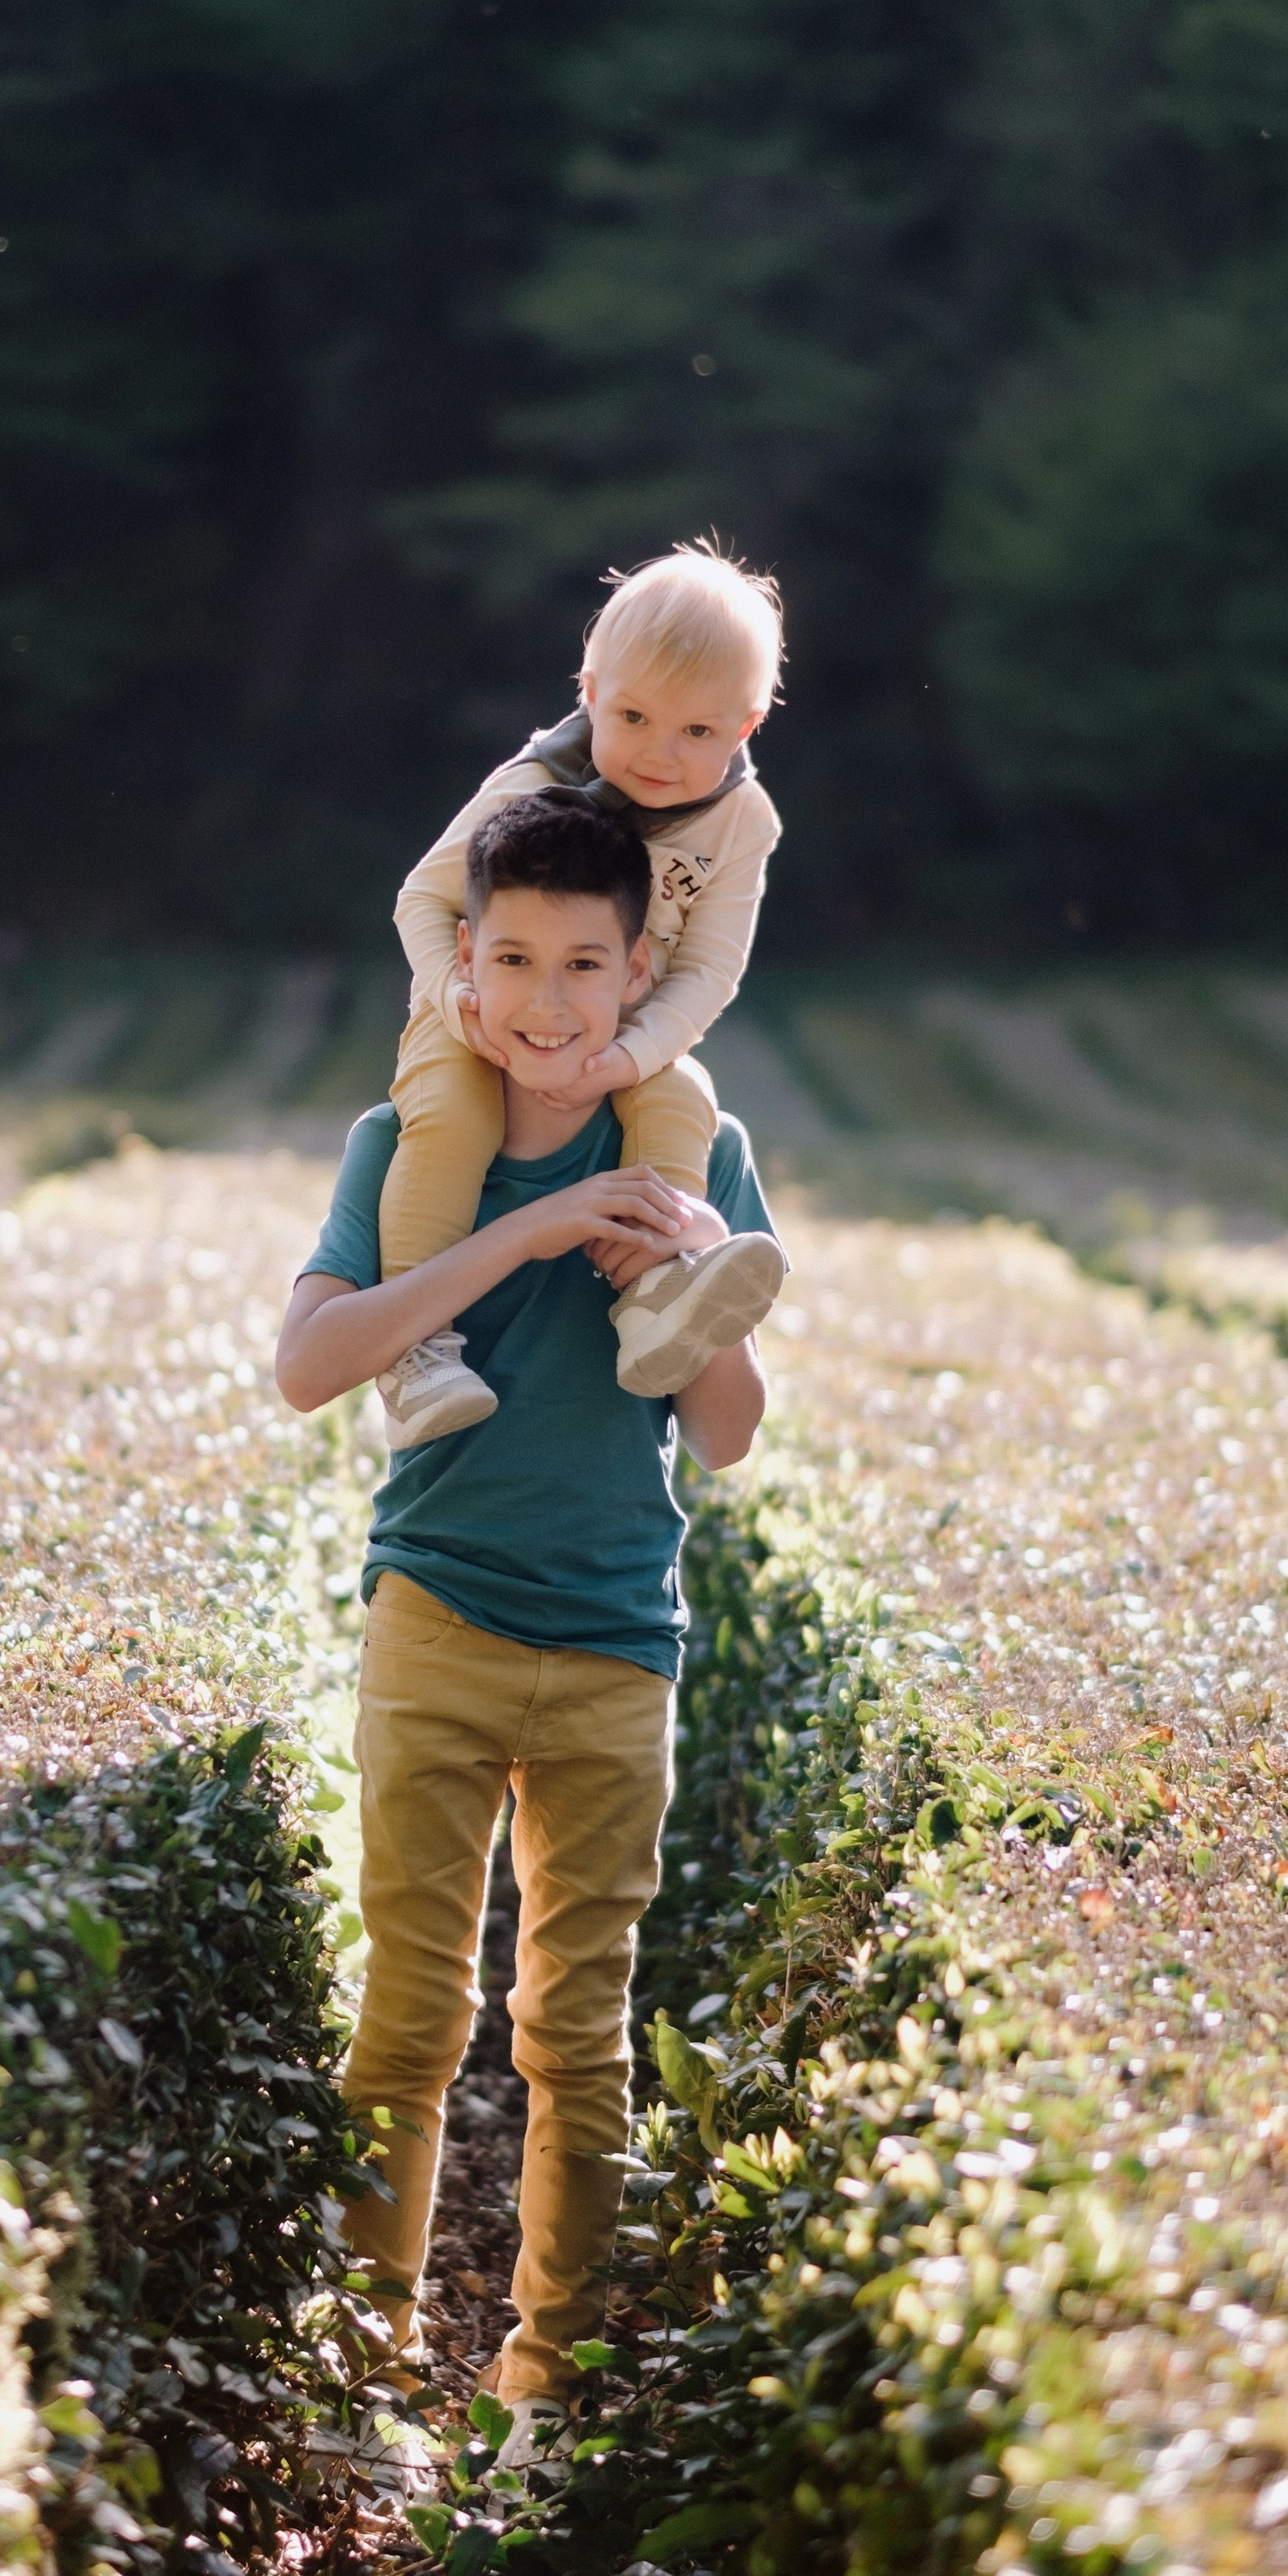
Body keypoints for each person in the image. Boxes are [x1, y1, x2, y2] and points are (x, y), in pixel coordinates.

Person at [274, 793, 784, 2456]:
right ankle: (363, 2375)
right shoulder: (403, 1144)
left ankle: (545, 2390)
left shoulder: (687, 1147)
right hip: (435, 1618)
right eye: (514, 961)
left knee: (576, 2030)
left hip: (619, 1637)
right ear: (466, 979)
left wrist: (688, 1273)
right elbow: (310, 1367)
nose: (551, 1000)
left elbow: (725, 1431)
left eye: (586, 961)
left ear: (644, 970)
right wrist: (532, 1231)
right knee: (409, 2018)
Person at [374, 541, 786, 1448]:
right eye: (634, 716)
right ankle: (414, 1354)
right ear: (589, 690)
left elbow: (709, 969)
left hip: (624, 1027)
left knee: (681, 1098)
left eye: (697, 733)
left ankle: (658, 1289)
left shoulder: (739, 824)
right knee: (448, 1115)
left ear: (745, 726)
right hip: (488, 1018)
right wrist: (459, 1003)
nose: (659, 754)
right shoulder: (534, 784)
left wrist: (629, 1057)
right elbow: (424, 899)